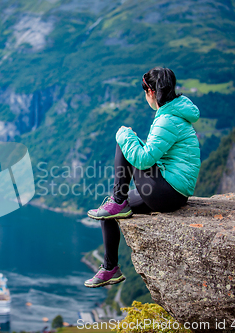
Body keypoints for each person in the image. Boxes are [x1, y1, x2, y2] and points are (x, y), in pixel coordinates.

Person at [84, 67, 201, 288]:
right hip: (172, 191)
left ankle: (118, 201)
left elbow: (144, 160)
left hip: (168, 192)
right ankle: (110, 269)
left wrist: (124, 134)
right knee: (107, 211)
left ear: (150, 91)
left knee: (125, 141)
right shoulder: (174, 114)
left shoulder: (169, 119)